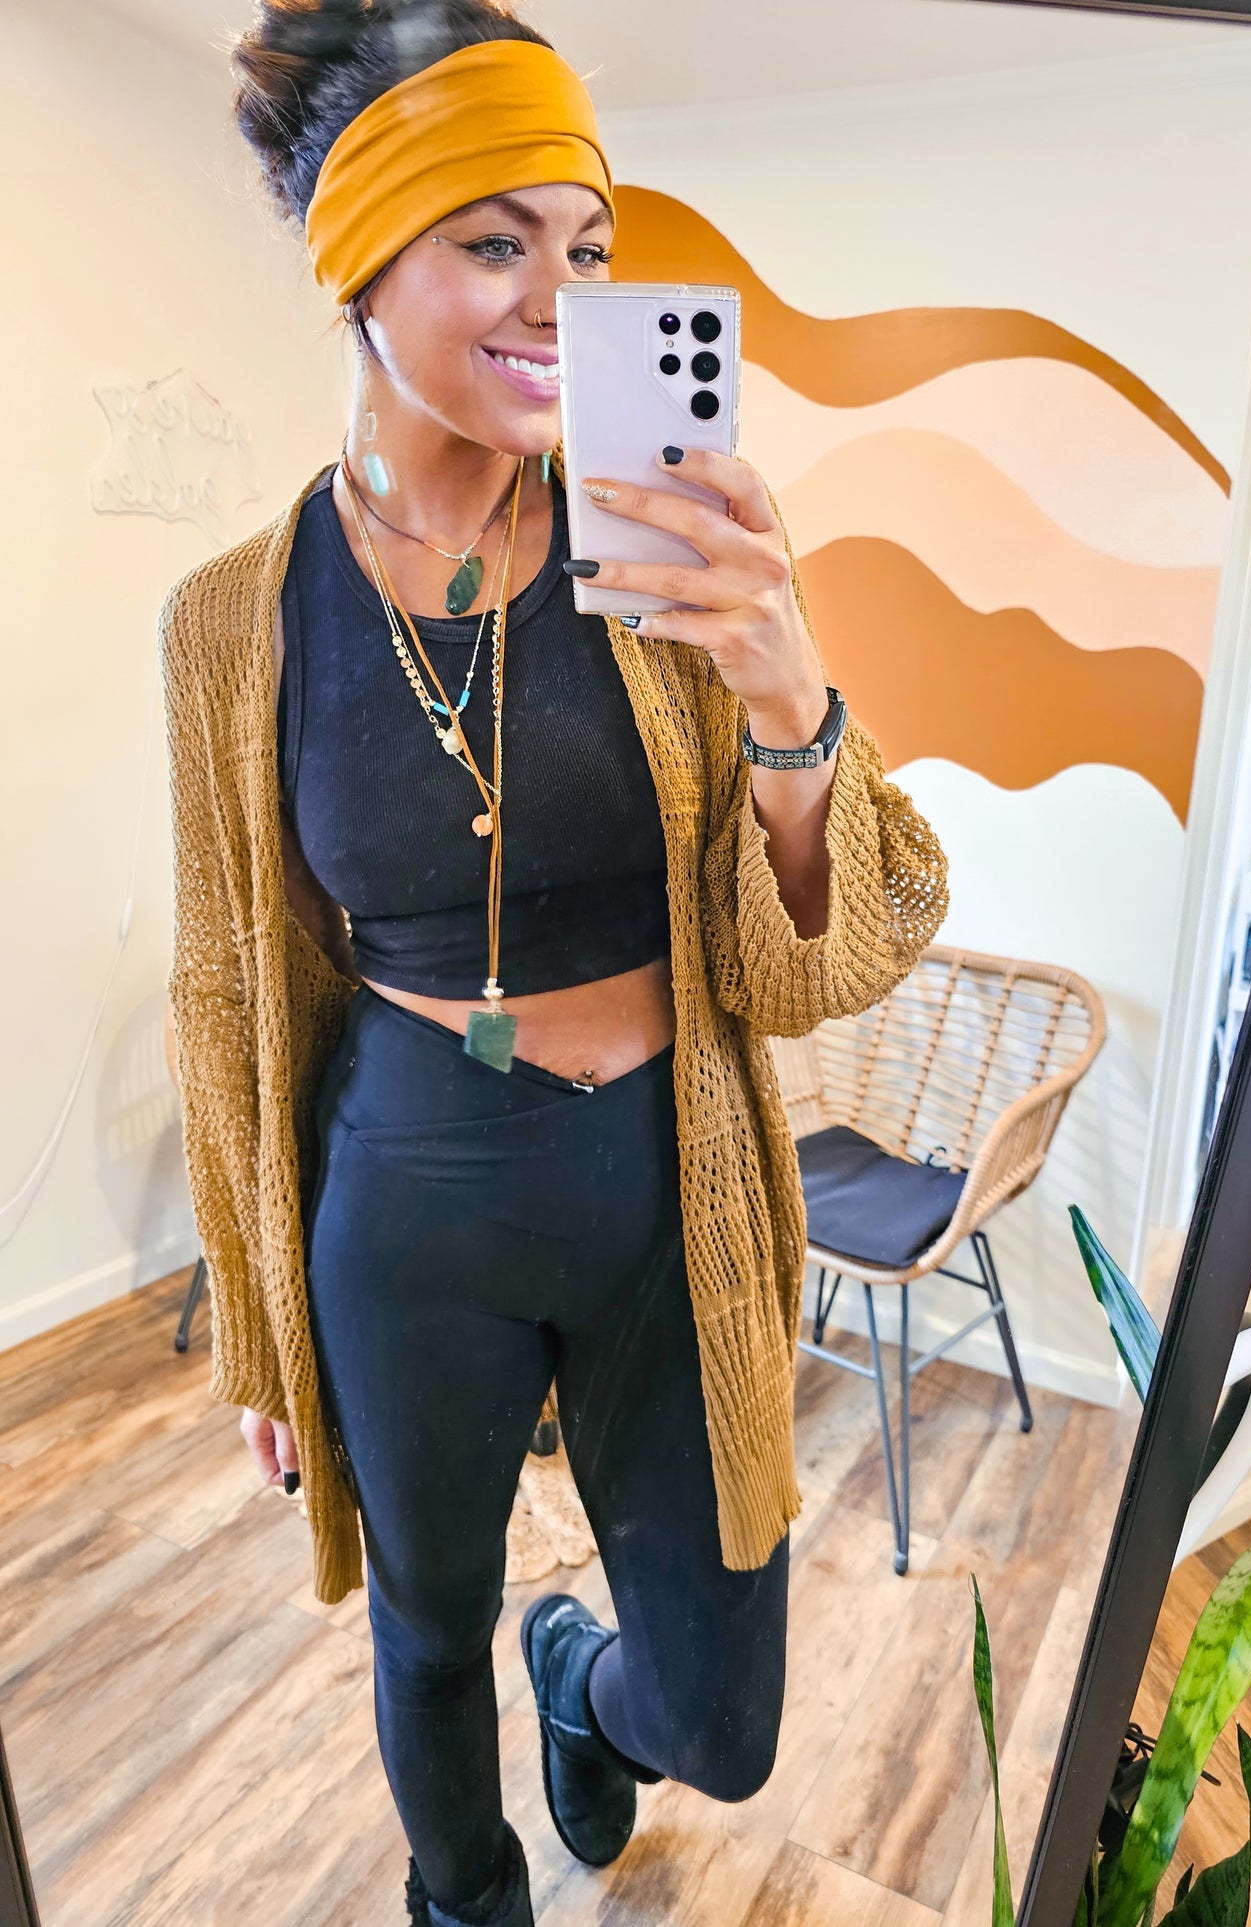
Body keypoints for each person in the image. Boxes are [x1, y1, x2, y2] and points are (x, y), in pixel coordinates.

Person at [161, 4, 948, 1922]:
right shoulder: (232, 622)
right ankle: (465, 1897)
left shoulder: (663, 548)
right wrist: (262, 1319)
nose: (556, 297)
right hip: (407, 1183)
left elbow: (826, 960)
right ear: (363, 265)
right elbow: (227, 983)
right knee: (421, 1631)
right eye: (494, 241)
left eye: (586, 249)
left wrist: (789, 698)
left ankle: (584, 1685)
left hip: (667, 1181)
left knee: (723, 1724)